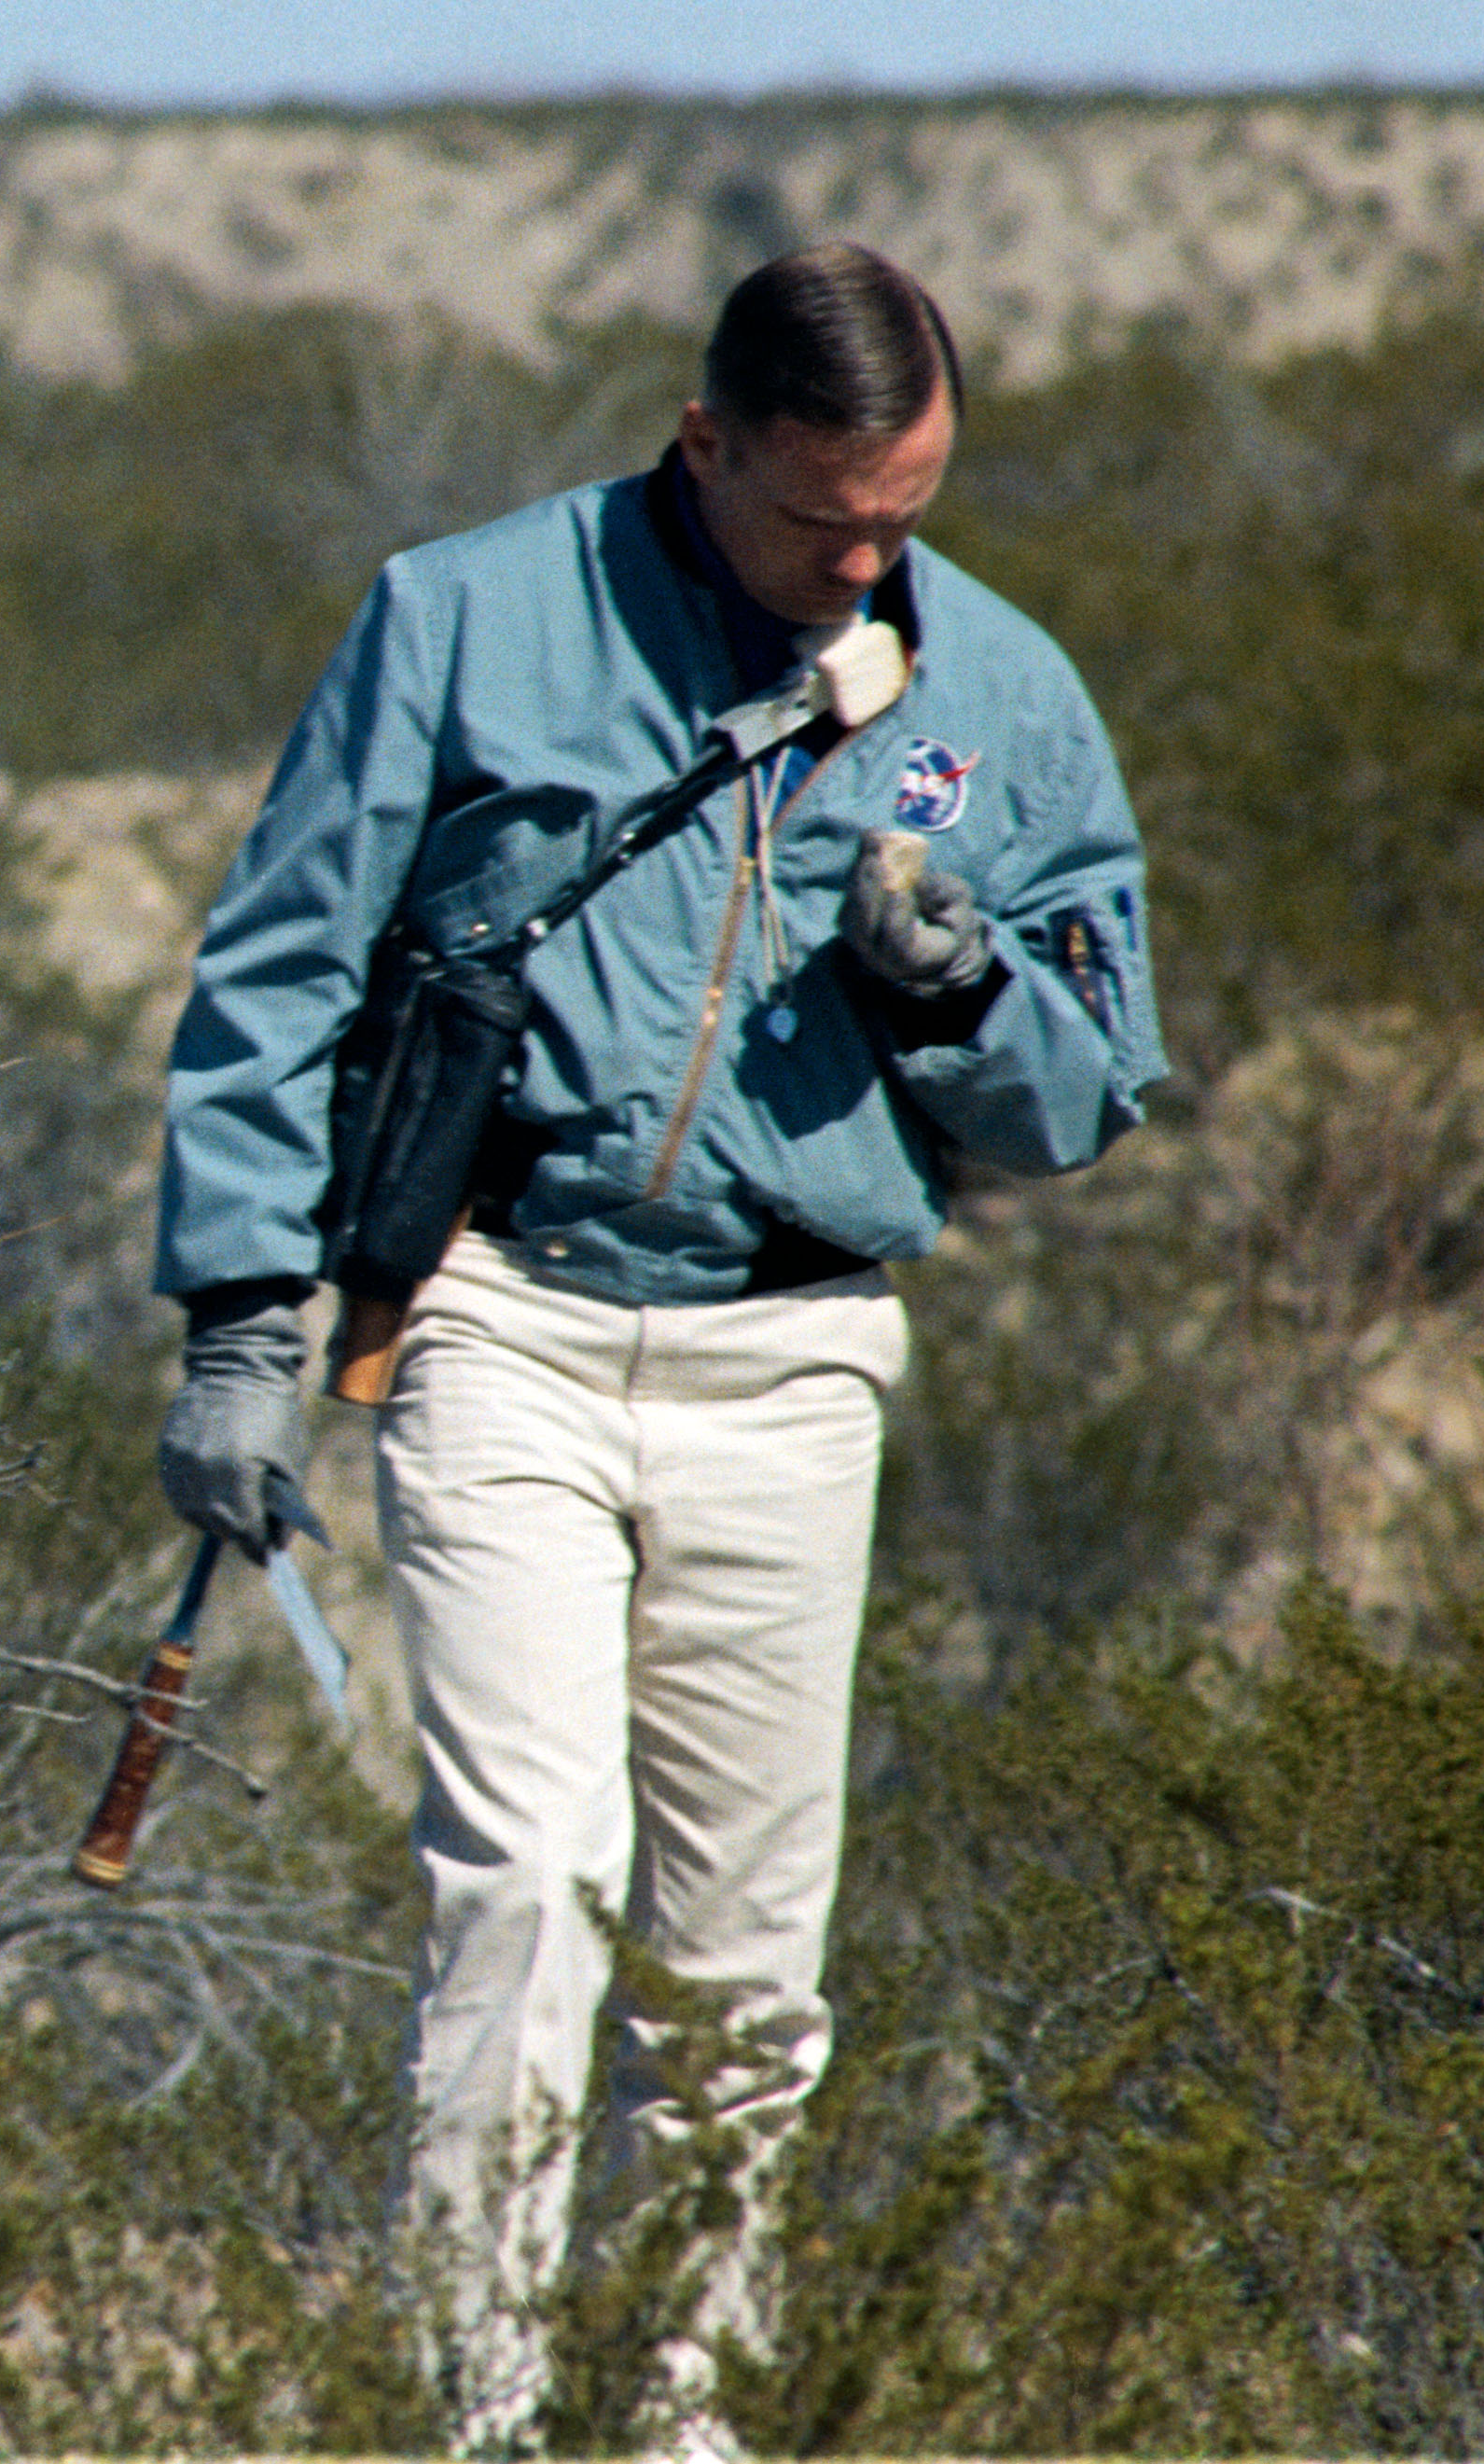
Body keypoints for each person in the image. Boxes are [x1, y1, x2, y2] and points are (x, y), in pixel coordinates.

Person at [152, 243, 1164, 2452]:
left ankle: (688, 2417)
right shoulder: (468, 616)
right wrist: (244, 1315)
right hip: (501, 1310)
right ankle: (476, 2410)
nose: (867, 559)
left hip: (792, 1355)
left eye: (905, 509)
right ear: (704, 442)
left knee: (738, 1973)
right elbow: (276, 968)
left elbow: (1091, 1090)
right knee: (524, 1882)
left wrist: (965, 991)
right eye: (824, 514)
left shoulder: (1002, 688)